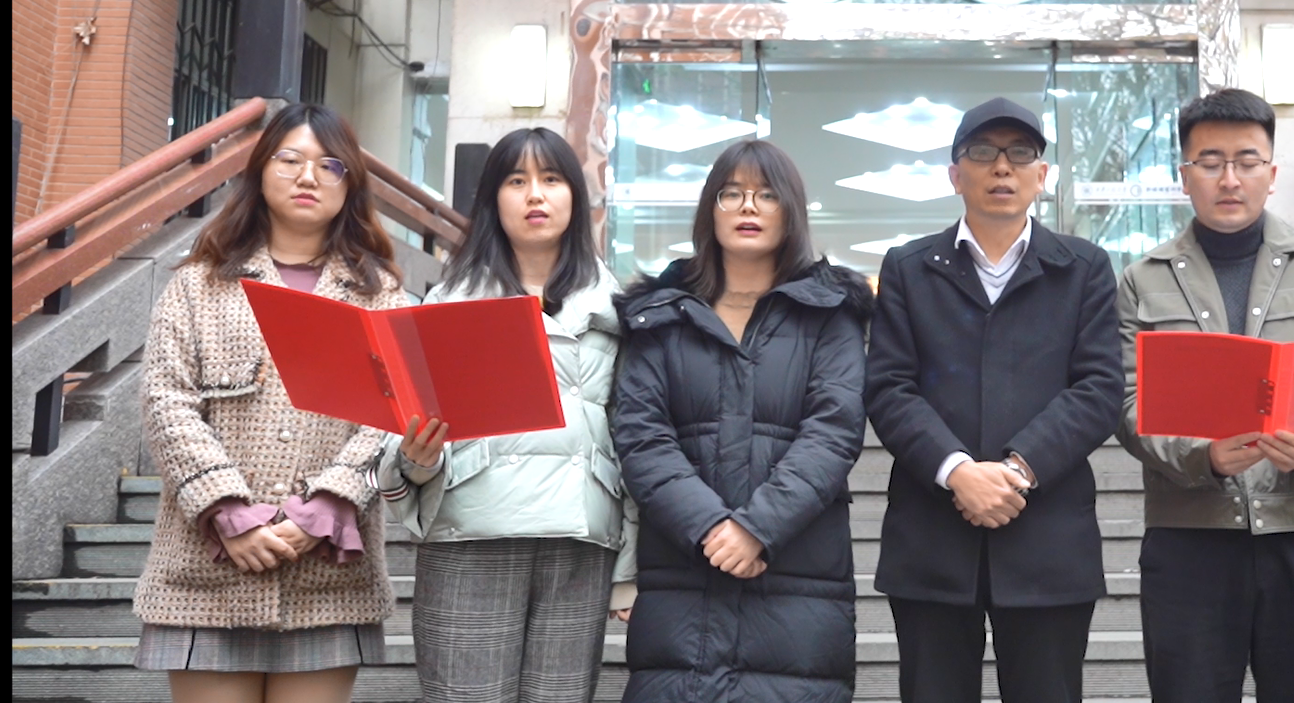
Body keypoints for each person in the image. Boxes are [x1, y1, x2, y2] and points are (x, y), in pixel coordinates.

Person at [1112, 88, 1294, 703]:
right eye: (1210, 162)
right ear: (1184, 175)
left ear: (1272, 171)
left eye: (1246, 161)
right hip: (1190, 540)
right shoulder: (1141, 281)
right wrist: (1201, 456)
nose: (1229, 179)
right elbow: (1126, 402)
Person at [133, 103, 401, 703]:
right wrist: (228, 513)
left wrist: (324, 508)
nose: (308, 177)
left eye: (329, 165)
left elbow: (390, 417)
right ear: (259, 171)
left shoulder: (378, 293)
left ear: (350, 184)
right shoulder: (199, 283)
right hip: (207, 570)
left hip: (327, 573)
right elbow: (166, 400)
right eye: (290, 160)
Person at [864, 97, 1125, 703]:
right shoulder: (908, 267)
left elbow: (1098, 387)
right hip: (932, 537)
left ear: (1042, 175)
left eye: (1020, 153)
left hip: (1047, 539)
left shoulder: (1083, 268)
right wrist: (958, 472)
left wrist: (1016, 470)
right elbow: (889, 386)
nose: (1002, 167)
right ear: (955, 175)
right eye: (983, 152)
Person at [368, 127, 635, 703]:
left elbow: (635, 443)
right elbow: (400, 434)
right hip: (472, 536)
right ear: (493, 199)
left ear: (575, 197)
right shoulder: (446, 305)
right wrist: (416, 458)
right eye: (517, 181)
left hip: (579, 543)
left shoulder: (619, 311)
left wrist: (630, 567)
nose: (535, 194)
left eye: (551, 179)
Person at [612, 139, 869, 703]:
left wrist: (756, 529)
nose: (748, 206)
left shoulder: (830, 314)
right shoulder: (661, 316)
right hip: (684, 575)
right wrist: (710, 527)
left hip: (797, 581)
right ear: (711, 208)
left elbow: (833, 432)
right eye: (732, 193)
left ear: (790, 210)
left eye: (766, 195)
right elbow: (641, 436)